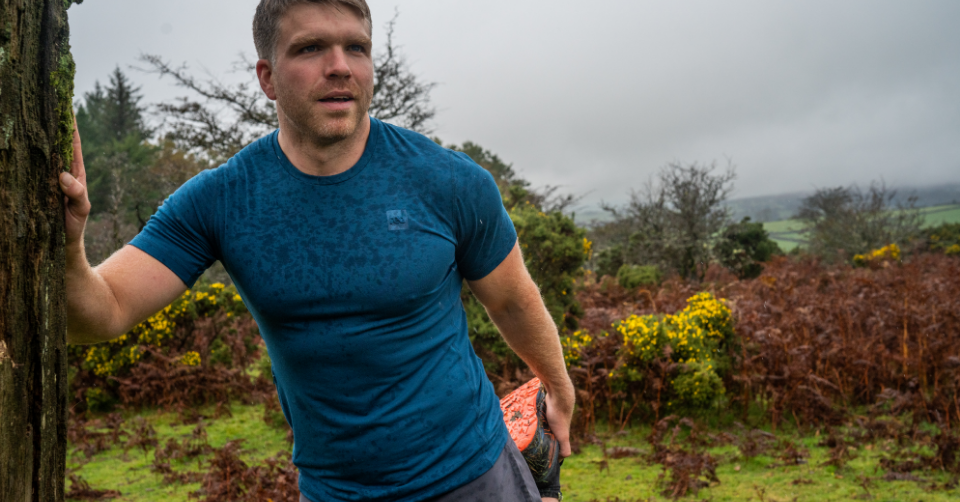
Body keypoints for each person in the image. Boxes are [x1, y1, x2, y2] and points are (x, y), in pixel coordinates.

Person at [60, 0, 574, 500]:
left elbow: (510, 300)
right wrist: (67, 245)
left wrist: (558, 386)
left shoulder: (448, 181)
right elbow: (100, 314)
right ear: (267, 77)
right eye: (310, 49)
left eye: (356, 47)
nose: (339, 67)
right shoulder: (220, 201)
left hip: (475, 472)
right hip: (336, 491)